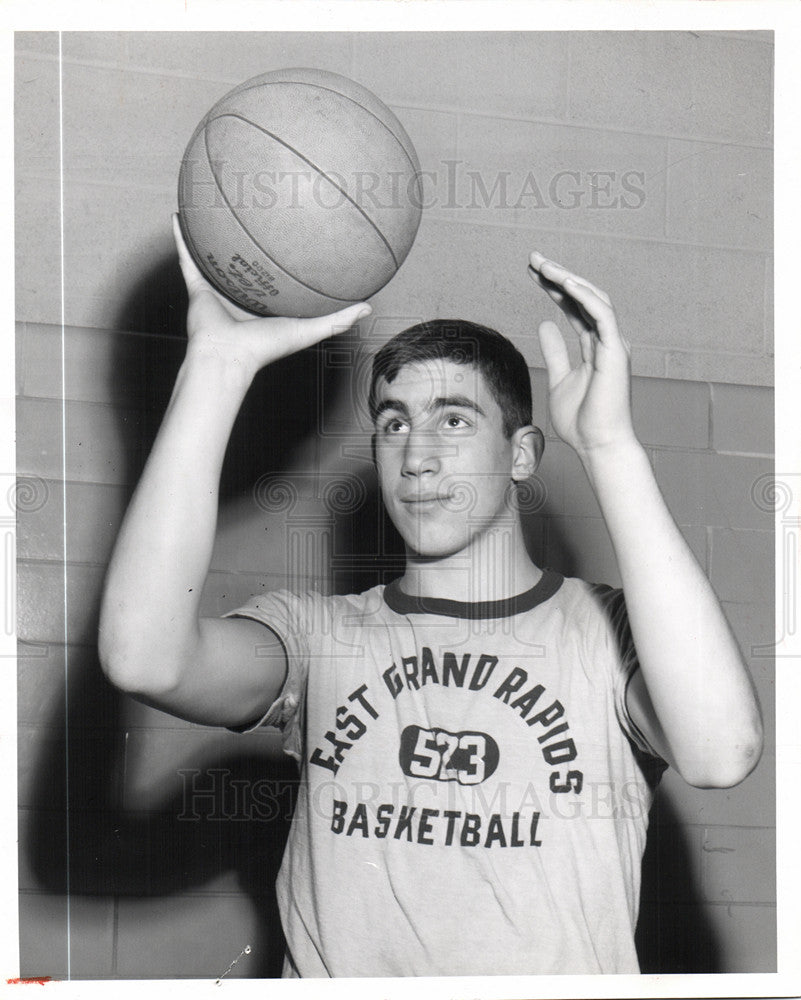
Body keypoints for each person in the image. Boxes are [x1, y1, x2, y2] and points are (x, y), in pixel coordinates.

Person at [99, 216, 763, 978]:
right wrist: (213, 367)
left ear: (519, 454)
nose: (416, 456)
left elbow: (719, 753)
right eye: (393, 423)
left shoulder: (603, 634)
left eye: (453, 419)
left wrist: (610, 446)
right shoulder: (320, 637)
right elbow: (142, 658)